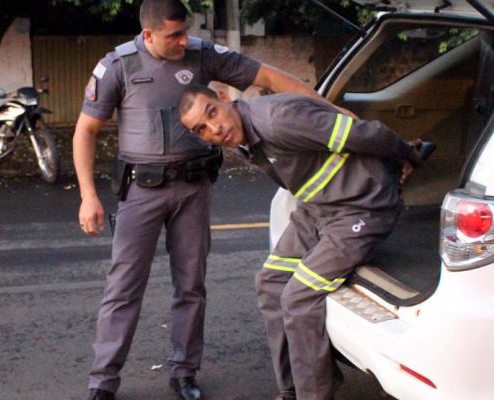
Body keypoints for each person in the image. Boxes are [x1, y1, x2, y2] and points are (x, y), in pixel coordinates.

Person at [72, 1, 346, 399]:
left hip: (194, 188)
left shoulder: (202, 54)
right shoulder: (118, 66)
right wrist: (87, 196)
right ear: (148, 35)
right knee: (123, 287)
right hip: (141, 192)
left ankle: (184, 372)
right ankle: (103, 382)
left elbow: (269, 77)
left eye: (185, 32)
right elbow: (85, 131)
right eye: (174, 36)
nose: (185, 41)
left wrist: (330, 110)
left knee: (191, 286)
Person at [176, 84, 426, 400]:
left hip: (363, 205)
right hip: (319, 208)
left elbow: (365, 133)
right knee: (270, 283)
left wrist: (408, 154)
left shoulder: (279, 120)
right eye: (202, 129)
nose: (214, 129)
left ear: (225, 100)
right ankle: (293, 387)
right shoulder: (241, 135)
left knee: (298, 296)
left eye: (212, 112)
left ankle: (314, 393)